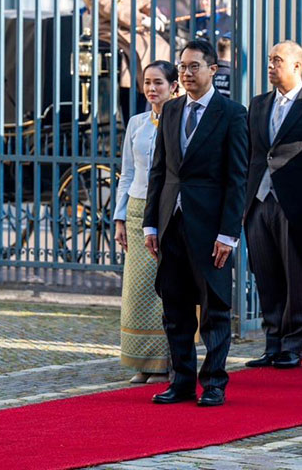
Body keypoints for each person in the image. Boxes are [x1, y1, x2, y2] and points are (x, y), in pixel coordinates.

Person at [143, 39, 248, 407]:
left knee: (215, 309)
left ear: (212, 70)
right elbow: (159, 170)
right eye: (182, 67)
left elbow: (238, 178)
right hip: (171, 223)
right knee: (175, 307)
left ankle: (214, 382)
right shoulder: (171, 110)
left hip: (211, 227)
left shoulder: (232, 114)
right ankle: (183, 382)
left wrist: (228, 233)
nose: (186, 73)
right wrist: (151, 225)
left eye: (194, 67)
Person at [244, 40, 302, 369]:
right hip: (258, 202)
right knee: (265, 274)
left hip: (297, 205)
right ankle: (272, 343)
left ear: (297, 66)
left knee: (296, 275)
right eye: (269, 60)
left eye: (277, 60)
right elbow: (253, 154)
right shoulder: (258, 104)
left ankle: (294, 344)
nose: (270, 66)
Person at [113, 60, 179, 384]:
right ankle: (143, 361)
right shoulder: (136, 123)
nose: (152, 89)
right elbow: (127, 172)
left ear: (173, 87)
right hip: (138, 207)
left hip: (168, 209)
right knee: (138, 291)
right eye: (147, 83)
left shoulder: (179, 121)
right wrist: (120, 216)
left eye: (158, 83)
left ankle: (167, 361)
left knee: (166, 288)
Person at [81, 0, 171, 122]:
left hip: (134, 27)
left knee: (162, 46)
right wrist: (142, 19)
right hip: (110, 27)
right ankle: (138, 108)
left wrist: (154, 13)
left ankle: (157, 104)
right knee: (144, 49)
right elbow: (106, 6)